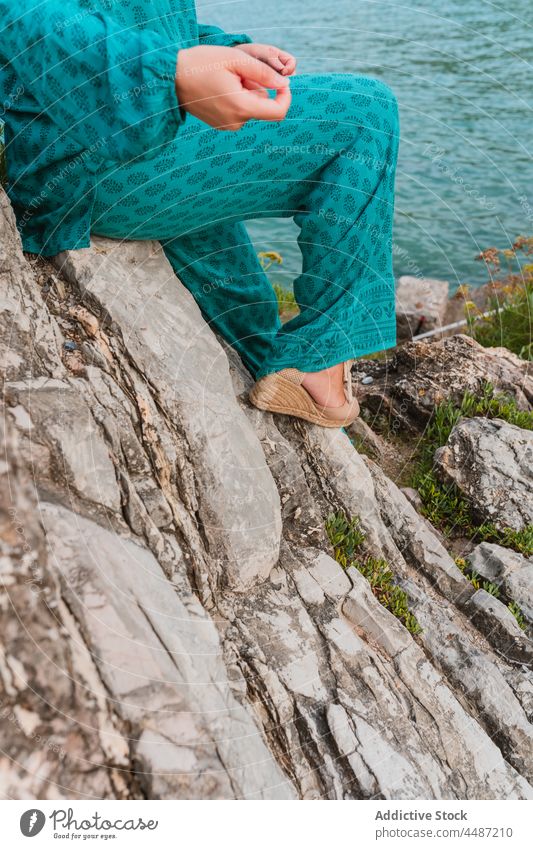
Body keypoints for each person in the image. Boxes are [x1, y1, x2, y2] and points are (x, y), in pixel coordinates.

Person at [1, 0, 400, 427]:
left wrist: (225, 51)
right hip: (98, 156)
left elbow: (139, 17)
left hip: (139, 134)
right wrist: (170, 73)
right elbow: (17, 18)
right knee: (367, 114)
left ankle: (300, 399)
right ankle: (323, 358)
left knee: (252, 316)